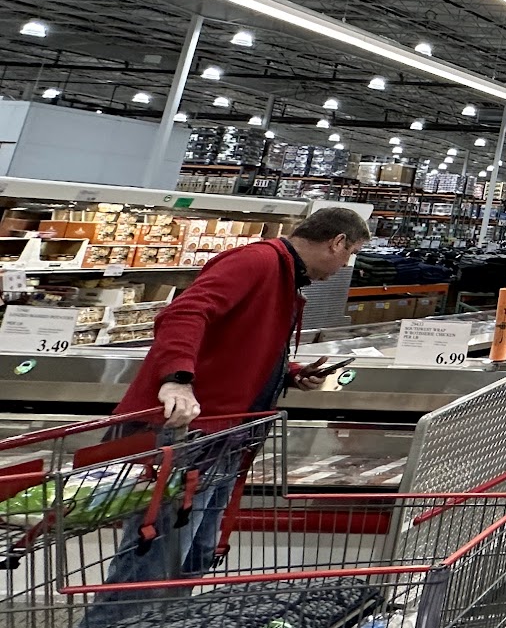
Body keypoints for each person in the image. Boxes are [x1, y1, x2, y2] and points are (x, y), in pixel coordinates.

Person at [107, 206, 372, 582]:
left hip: (226, 438)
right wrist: (177, 378)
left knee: (193, 557)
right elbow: (184, 313)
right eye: (351, 254)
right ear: (337, 242)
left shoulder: (284, 274)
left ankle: (162, 621)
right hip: (192, 433)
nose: (346, 265)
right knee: (155, 563)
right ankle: (114, 623)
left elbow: (241, 343)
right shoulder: (257, 261)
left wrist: (290, 374)